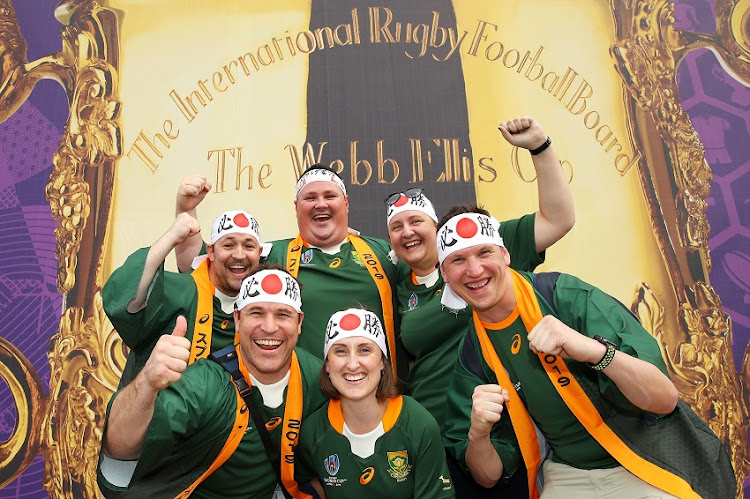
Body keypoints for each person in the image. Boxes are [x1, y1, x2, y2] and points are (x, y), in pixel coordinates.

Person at [438, 206, 736, 499]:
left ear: (505, 254)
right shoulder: (473, 354)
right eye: (458, 259)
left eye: (484, 252)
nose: (474, 270)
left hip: (644, 460)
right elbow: (487, 477)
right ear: (445, 274)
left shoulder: (563, 297)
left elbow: (664, 399)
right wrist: (478, 434)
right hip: (567, 474)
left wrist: (595, 352)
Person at [386, 116, 574, 496]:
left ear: (439, 229)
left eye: (417, 221)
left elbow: (559, 219)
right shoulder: (391, 282)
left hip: (499, 433)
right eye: (396, 226)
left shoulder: (479, 255)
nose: (408, 232)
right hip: (429, 441)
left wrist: (540, 147)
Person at [97, 267, 327, 498]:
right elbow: (119, 448)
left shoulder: (316, 377)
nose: (269, 327)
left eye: (283, 314)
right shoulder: (206, 383)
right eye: (256, 313)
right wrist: (146, 382)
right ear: (237, 319)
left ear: (299, 322)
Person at [175, 167, 410, 377]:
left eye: (330, 196)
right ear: (297, 207)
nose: (321, 204)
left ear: (346, 203)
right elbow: (202, 267)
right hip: (302, 402)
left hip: (372, 394)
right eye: (310, 197)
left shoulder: (381, 252)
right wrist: (186, 209)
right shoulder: (275, 255)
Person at [103, 190, 264, 383]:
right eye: (228, 246)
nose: (239, 255)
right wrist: (171, 237)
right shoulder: (179, 290)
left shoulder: (264, 309)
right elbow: (125, 295)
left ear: (260, 253)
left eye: (248, 246)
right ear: (210, 252)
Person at [298, 308, 454, 498]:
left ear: (382, 361)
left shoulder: (418, 424)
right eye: (340, 351)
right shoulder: (312, 432)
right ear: (328, 365)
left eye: (364, 350)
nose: (353, 364)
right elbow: (306, 483)